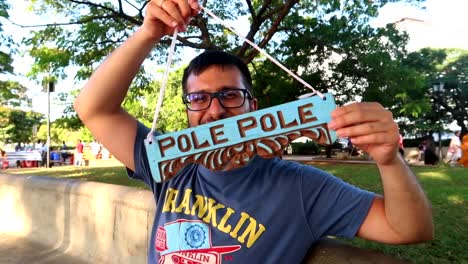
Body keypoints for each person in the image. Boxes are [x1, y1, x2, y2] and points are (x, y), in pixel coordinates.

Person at [73, 0, 433, 262]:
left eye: (230, 95)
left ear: (253, 106)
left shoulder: (302, 188)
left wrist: (389, 161)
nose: (215, 111)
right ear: (187, 110)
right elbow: (93, 109)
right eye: (199, 98)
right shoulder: (170, 164)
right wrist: (149, 32)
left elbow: (408, 229)